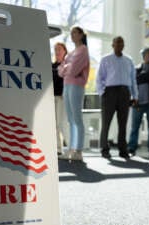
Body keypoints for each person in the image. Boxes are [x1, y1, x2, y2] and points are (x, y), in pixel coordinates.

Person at [96, 36, 138, 159]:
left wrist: (135, 96)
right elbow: (99, 78)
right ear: (112, 45)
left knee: (123, 123)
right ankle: (104, 148)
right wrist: (102, 93)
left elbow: (133, 79)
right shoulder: (105, 59)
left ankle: (123, 150)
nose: (120, 45)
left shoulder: (129, 60)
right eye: (117, 42)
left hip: (125, 93)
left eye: (122, 43)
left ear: (123, 45)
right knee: (106, 122)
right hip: (109, 92)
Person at [58, 26, 90, 161]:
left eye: (75, 33)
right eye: (71, 33)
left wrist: (66, 68)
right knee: (70, 120)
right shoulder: (71, 53)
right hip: (66, 85)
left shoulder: (83, 50)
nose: (72, 35)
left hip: (76, 86)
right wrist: (66, 67)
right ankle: (71, 149)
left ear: (82, 35)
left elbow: (73, 70)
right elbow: (60, 70)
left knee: (77, 118)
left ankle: (78, 151)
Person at [127, 47, 149, 158]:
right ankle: (131, 148)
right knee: (135, 127)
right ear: (143, 56)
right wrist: (148, 78)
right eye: (147, 54)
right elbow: (133, 81)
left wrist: (142, 77)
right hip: (138, 102)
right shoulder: (136, 68)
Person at [52, 42, 68, 155]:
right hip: (51, 98)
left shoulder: (67, 66)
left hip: (62, 98)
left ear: (65, 51)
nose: (57, 51)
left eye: (59, 49)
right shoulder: (51, 66)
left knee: (60, 123)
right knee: (53, 124)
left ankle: (69, 147)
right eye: (56, 49)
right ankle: (57, 148)